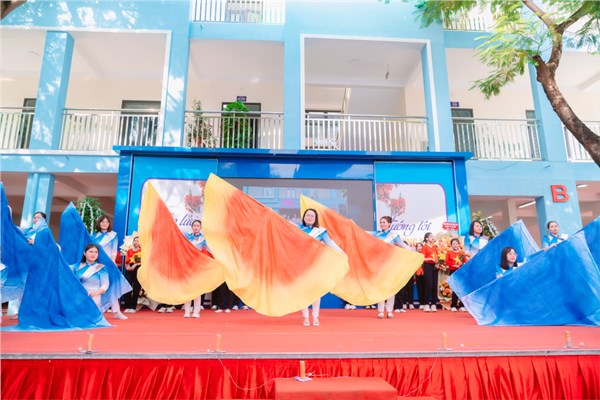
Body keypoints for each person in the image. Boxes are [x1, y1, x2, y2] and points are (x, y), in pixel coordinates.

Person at [298, 208, 344, 327]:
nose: (309, 217)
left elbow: (330, 243)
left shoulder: (320, 231)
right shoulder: (298, 229)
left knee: (316, 291)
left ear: (315, 219)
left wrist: (341, 252)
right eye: (307, 215)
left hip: (316, 265)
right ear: (304, 217)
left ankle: (315, 316)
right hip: (301, 264)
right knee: (303, 291)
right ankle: (305, 317)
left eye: (312, 216)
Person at [371, 216, 412, 319]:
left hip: (390, 264)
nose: (382, 224)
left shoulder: (394, 235)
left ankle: (389, 310)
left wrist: (415, 252)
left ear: (389, 224)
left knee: (390, 287)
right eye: (381, 222)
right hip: (379, 263)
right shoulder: (376, 234)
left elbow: (404, 246)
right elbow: (364, 234)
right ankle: (381, 310)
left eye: (384, 222)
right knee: (380, 287)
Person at [92, 215, 127, 320]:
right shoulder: (94, 235)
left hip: (108, 264)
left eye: (106, 222)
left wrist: (112, 263)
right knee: (97, 287)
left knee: (111, 287)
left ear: (109, 224)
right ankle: (98, 312)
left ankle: (116, 311)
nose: (104, 224)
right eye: (102, 222)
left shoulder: (113, 235)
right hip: (96, 264)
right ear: (99, 223)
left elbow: (113, 250)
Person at [70, 244, 109, 309]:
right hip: (78, 296)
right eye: (91, 252)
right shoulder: (76, 266)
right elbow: (64, 269)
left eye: (96, 252)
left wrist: (96, 293)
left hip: (94, 297)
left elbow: (105, 284)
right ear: (84, 253)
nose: (93, 254)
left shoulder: (101, 268)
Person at [183, 220, 207, 318]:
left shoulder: (203, 238)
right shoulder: (187, 236)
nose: (196, 227)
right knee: (187, 289)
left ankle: (196, 311)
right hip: (187, 265)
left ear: (200, 227)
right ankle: (187, 311)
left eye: (198, 226)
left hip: (198, 266)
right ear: (192, 227)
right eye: (194, 225)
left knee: (197, 289)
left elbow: (210, 249)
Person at [446, 238, 467, 312]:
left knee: (461, 288)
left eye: (456, 244)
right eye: (453, 244)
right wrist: (453, 265)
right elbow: (447, 262)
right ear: (451, 245)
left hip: (461, 272)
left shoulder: (462, 253)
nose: (455, 245)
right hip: (453, 271)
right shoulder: (449, 253)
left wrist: (462, 264)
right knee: (455, 288)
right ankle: (453, 305)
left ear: (459, 244)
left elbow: (465, 261)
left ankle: (462, 305)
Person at [420, 232, 439, 312]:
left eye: (433, 236)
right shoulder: (424, 247)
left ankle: (434, 304)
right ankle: (426, 304)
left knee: (434, 285)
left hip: (435, 267)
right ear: (427, 238)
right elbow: (422, 258)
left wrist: (437, 264)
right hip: (427, 266)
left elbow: (437, 257)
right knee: (429, 285)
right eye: (431, 236)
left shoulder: (434, 247)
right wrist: (430, 259)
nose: (432, 238)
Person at [124, 236, 142, 313]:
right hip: (129, 269)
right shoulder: (129, 251)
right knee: (127, 287)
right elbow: (126, 261)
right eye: (135, 241)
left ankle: (133, 307)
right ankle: (127, 306)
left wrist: (135, 265)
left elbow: (144, 261)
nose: (136, 242)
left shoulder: (142, 251)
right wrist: (127, 267)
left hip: (138, 269)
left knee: (136, 288)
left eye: (138, 241)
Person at [414, 242, 426, 309]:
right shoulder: (415, 255)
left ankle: (425, 303)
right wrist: (420, 271)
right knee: (419, 288)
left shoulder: (425, 254)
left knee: (425, 288)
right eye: (417, 246)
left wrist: (424, 271)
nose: (419, 247)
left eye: (420, 246)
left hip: (425, 273)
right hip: (418, 273)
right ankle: (421, 303)